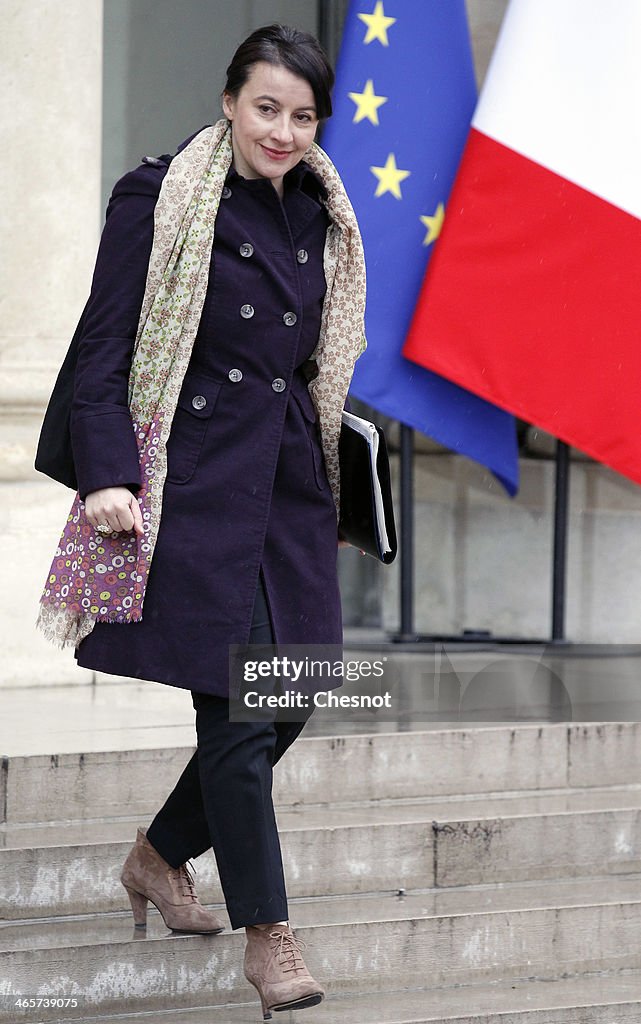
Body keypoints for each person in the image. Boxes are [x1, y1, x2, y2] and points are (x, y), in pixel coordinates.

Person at [36, 23, 366, 1020]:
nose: (283, 129)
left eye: (302, 115)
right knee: (234, 712)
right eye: (266, 106)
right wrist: (106, 473)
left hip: (287, 491)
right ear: (229, 101)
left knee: (296, 693)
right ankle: (270, 939)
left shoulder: (320, 210)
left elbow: (307, 359)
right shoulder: (160, 196)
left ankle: (157, 852)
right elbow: (105, 345)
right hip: (190, 488)